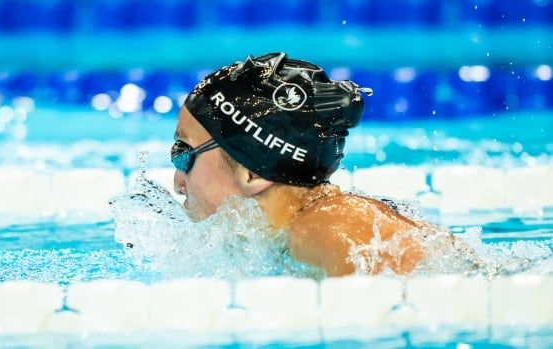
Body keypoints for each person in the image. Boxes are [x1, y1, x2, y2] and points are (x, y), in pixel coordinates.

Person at [170, 52, 424, 276]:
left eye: (183, 154)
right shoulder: (294, 234)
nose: (178, 182)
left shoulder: (330, 224)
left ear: (252, 171)